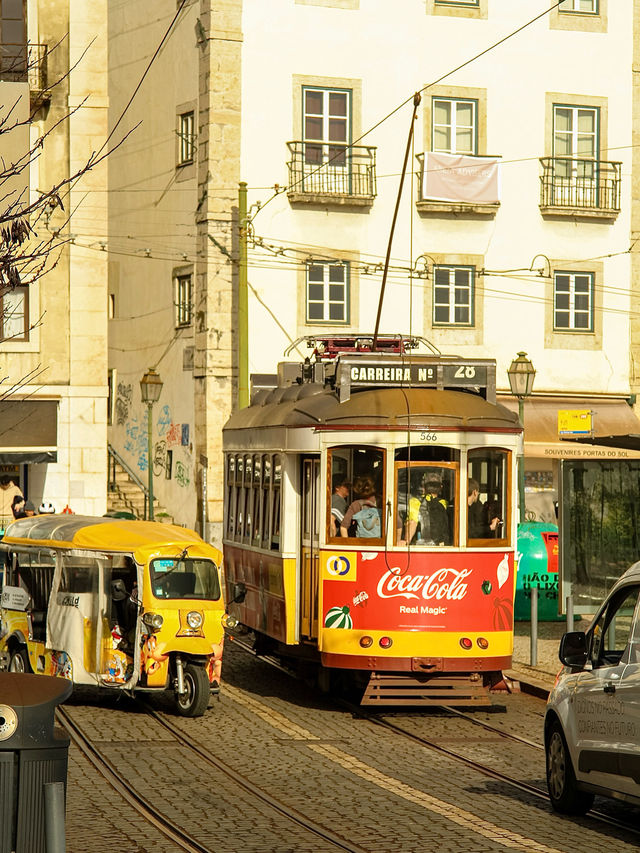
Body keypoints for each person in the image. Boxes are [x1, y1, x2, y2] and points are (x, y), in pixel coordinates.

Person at [401, 471, 450, 546]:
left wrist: (405, 541)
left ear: (424, 487)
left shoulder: (415, 502)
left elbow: (412, 522)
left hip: (421, 546)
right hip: (443, 547)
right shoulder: (446, 504)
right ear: (441, 487)